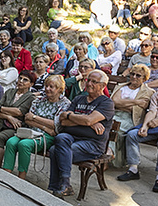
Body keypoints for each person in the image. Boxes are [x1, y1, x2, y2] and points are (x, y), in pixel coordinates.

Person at [48, 69, 115, 197]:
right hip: (71, 137)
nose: (89, 83)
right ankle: (64, 185)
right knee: (61, 137)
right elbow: (63, 121)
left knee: (54, 150)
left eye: (94, 82)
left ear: (103, 86)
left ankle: (62, 185)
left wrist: (75, 117)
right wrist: (86, 121)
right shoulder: (79, 98)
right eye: (88, 80)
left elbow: (87, 119)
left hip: (92, 144)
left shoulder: (106, 103)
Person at [3, 75, 71, 178]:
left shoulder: (65, 104)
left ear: (59, 89)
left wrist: (34, 118)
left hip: (47, 136)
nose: (47, 89)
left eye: (51, 87)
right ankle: (6, 173)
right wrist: (46, 126)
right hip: (31, 131)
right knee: (11, 142)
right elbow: (27, 119)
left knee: (24, 144)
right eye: (46, 86)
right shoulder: (39, 100)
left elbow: (55, 125)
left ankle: (21, 176)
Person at [0, 71, 36, 166]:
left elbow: (19, 112)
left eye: (25, 80)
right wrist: (8, 116)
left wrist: (2, 109)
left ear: (31, 84)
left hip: (15, 126)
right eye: (20, 78)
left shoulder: (30, 97)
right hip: (1, 120)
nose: (21, 81)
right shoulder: (10, 92)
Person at [110, 64, 154, 168]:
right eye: (132, 74)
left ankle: (110, 153)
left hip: (131, 118)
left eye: (138, 75)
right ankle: (108, 153)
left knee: (116, 129)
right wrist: (136, 102)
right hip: (115, 114)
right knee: (105, 126)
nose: (134, 77)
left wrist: (123, 103)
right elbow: (114, 102)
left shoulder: (148, 92)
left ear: (144, 78)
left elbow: (137, 109)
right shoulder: (121, 86)